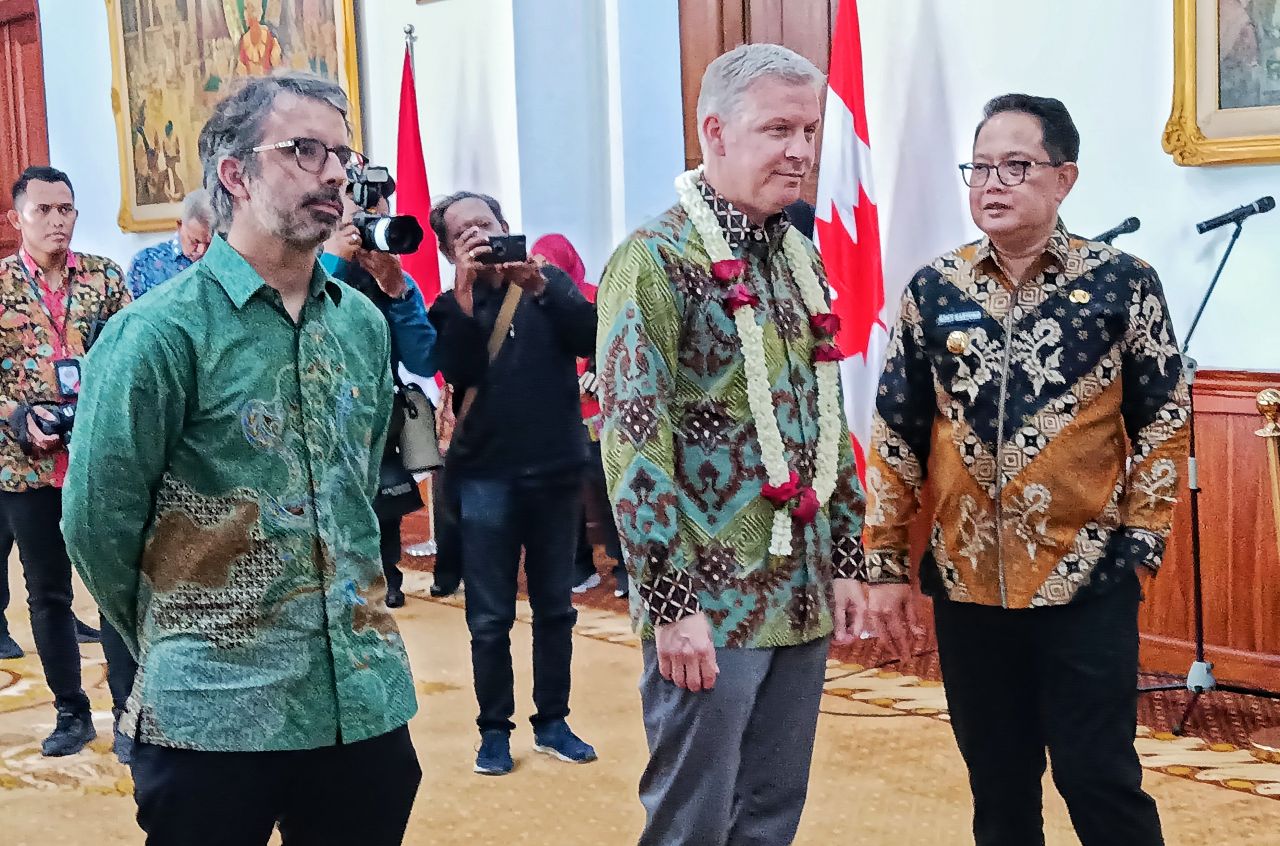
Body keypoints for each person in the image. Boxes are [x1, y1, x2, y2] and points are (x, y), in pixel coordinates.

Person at [63, 72, 421, 845]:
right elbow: (97, 522)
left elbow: (354, 485)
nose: (334, 173)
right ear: (236, 173)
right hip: (215, 715)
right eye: (304, 150)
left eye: (341, 154)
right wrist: (183, 637)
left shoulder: (359, 325)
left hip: (359, 701)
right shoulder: (159, 335)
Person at [863, 94, 1188, 846]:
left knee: (1097, 775)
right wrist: (883, 560)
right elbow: (896, 434)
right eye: (979, 167)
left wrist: (1140, 548)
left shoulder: (1122, 284)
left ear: (1064, 179)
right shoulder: (933, 290)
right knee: (999, 784)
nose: (992, 184)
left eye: (1016, 166)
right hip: (969, 584)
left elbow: (1165, 421)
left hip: (1088, 579)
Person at [596, 44, 867, 846]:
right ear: (714, 132)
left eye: (810, 130)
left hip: (801, 591)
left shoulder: (798, 257)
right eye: (778, 128)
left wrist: (845, 558)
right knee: (694, 818)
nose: (802, 151)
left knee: (774, 809)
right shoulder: (654, 261)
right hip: (708, 606)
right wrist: (670, 605)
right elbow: (633, 446)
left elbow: (827, 419)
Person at [427, 191, 598, 776]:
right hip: (486, 478)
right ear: (451, 248)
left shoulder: (546, 287)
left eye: (488, 224)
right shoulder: (450, 305)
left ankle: (553, 721)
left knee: (556, 608)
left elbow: (591, 336)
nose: (482, 236)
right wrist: (466, 293)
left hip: (554, 470)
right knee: (490, 616)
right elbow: (461, 369)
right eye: (465, 232)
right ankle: (493, 732)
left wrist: (544, 285)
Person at [0, 166, 132, 756]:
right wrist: (14, 415)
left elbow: (133, 354)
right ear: (17, 219)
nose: (58, 220)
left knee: (113, 591)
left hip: (98, 460)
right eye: (44, 210)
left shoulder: (105, 277)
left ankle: (131, 715)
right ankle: (70, 713)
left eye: (67, 209)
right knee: (47, 594)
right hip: (25, 468)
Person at [321, 179, 437, 608]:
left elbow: (424, 360)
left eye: (379, 220)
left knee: (383, 506)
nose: (371, 230)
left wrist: (397, 292)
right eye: (361, 221)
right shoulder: (311, 271)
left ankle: (390, 575)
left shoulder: (395, 280)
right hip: (320, 415)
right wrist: (333, 260)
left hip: (377, 412)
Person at [530, 233, 627, 600]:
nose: (548, 273)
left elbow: (612, 343)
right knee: (562, 499)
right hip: (556, 417)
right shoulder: (529, 303)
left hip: (599, 415)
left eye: (552, 265)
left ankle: (625, 571)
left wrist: (597, 373)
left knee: (609, 493)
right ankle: (577, 567)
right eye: (540, 264)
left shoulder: (596, 296)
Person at [125, 189, 215, 299]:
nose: (202, 251)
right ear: (180, 225)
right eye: (195, 241)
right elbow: (132, 313)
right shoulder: (144, 262)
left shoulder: (222, 262)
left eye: (209, 244)